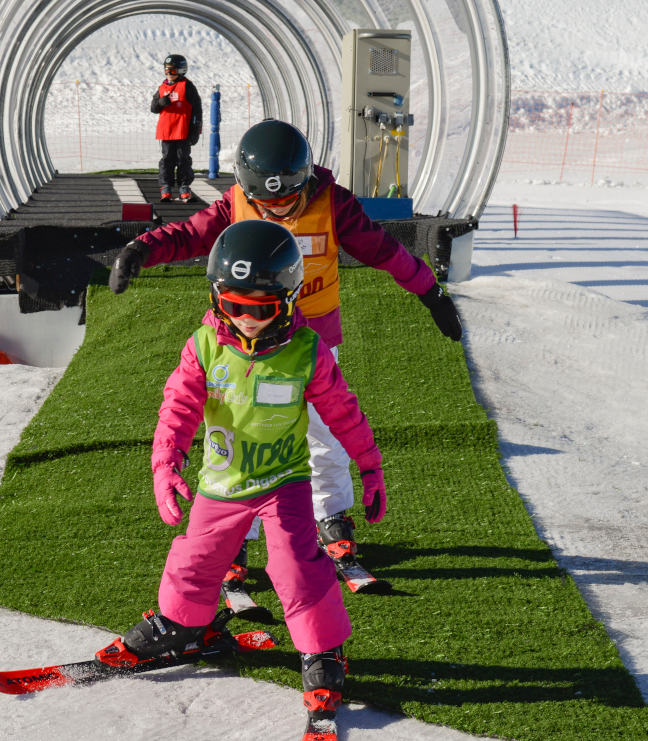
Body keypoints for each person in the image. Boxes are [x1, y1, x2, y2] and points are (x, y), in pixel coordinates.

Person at [108, 119, 461, 591]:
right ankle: (239, 535)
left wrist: (429, 291)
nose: (275, 209)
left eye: (286, 200)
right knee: (236, 436)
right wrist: (139, 249)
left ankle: (333, 519)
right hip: (247, 344)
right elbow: (188, 235)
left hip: (312, 343)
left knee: (325, 433)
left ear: (305, 182)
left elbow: (383, 250)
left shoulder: (332, 205)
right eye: (265, 203)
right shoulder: (233, 205)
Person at [100, 219, 386, 740]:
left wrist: (370, 466)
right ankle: (184, 625)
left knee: (296, 567)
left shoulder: (307, 352)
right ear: (216, 297)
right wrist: (166, 464)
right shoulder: (206, 345)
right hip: (221, 484)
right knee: (194, 560)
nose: (247, 320)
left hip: (283, 482)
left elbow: (344, 412)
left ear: (289, 299)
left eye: (262, 308)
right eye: (234, 306)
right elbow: (178, 407)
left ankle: (324, 654)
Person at [150, 53, 202, 203]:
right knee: (167, 160)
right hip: (166, 131)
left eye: (172, 71)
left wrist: (196, 127)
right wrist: (160, 102)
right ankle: (165, 186)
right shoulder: (162, 86)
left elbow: (197, 108)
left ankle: (184, 187)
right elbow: (153, 107)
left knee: (183, 159)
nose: (169, 74)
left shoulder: (187, 86)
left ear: (181, 71)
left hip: (182, 130)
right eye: (166, 70)